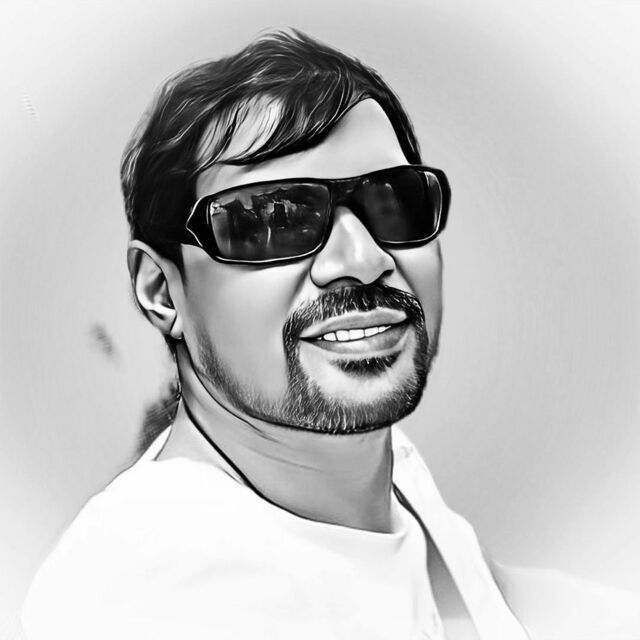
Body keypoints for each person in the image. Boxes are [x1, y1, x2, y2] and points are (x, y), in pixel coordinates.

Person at [20, 29, 640, 640]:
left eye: (395, 202)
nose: (363, 259)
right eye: (273, 219)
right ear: (161, 290)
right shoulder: (147, 590)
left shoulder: (379, 472)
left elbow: (489, 597)